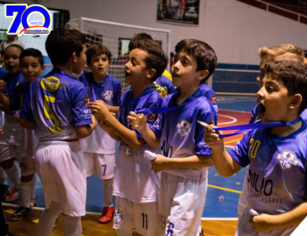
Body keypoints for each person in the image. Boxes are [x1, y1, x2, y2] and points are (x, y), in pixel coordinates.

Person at [204, 60, 307, 236]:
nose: (259, 92)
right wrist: (218, 147)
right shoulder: (256, 132)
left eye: (270, 88)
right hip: (250, 229)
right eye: (262, 85)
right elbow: (227, 169)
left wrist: (275, 222)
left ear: (294, 101)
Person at [129, 39, 217, 235]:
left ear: (201, 74)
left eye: (184, 62)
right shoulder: (168, 100)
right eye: (176, 59)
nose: (175, 65)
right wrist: (143, 128)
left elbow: (207, 159)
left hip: (189, 183)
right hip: (167, 178)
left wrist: (167, 162)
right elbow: (155, 140)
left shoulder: (203, 108)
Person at [19, 28, 96, 236]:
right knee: (73, 214)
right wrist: (96, 120)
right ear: (74, 56)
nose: (85, 58)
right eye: (84, 53)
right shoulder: (77, 86)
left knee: (51, 207)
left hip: (42, 150)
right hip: (66, 152)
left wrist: (49, 127)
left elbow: (25, 122)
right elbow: (82, 131)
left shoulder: (35, 83)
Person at [89, 39, 167, 236]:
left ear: (150, 73)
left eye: (134, 62)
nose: (126, 65)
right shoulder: (126, 96)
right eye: (128, 60)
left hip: (145, 177)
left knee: (146, 231)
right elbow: (122, 137)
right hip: (126, 171)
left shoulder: (154, 99)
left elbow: (137, 141)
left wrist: (108, 116)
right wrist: (107, 126)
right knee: (122, 229)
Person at [78, 44, 122, 223]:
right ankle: (78, 206)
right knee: (82, 175)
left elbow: (120, 108)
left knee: (107, 178)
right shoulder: (83, 79)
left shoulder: (114, 83)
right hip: (86, 137)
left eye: (103, 60)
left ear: (109, 62)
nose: (100, 63)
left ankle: (108, 207)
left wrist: (103, 108)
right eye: (95, 60)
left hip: (106, 139)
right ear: (89, 64)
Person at [0, 48, 45, 220]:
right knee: (26, 172)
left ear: (42, 68)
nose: (29, 70)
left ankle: (53, 205)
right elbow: (11, 107)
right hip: (27, 138)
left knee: (47, 174)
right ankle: (26, 204)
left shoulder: (48, 87)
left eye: (34, 66)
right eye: (25, 66)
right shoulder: (20, 87)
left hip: (45, 139)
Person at [0, 42, 26, 203]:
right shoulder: (3, 76)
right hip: (8, 125)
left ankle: (28, 196)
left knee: (26, 164)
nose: (10, 61)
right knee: (3, 157)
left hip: (24, 127)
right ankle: (18, 187)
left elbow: (12, 108)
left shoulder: (23, 80)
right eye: (7, 57)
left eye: (15, 58)